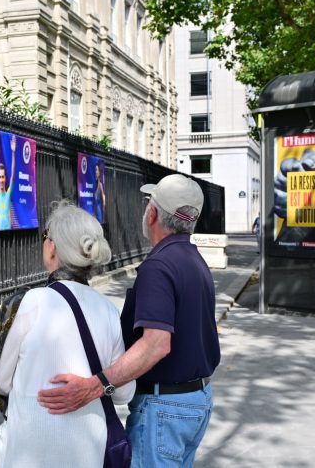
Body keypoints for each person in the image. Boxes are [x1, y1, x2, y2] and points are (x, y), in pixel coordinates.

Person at [38, 174, 221, 468]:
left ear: (152, 213)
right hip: (195, 401)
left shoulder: (158, 266)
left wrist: (94, 386)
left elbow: (156, 344)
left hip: (165, 409)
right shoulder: (193, 260)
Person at [0, 200, 136, 467]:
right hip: (87, 452)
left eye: (45, 237)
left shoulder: (32, 301)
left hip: (30, 450)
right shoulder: (107, 310)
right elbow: (124, 393)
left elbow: (2, 382)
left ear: (53, 248)